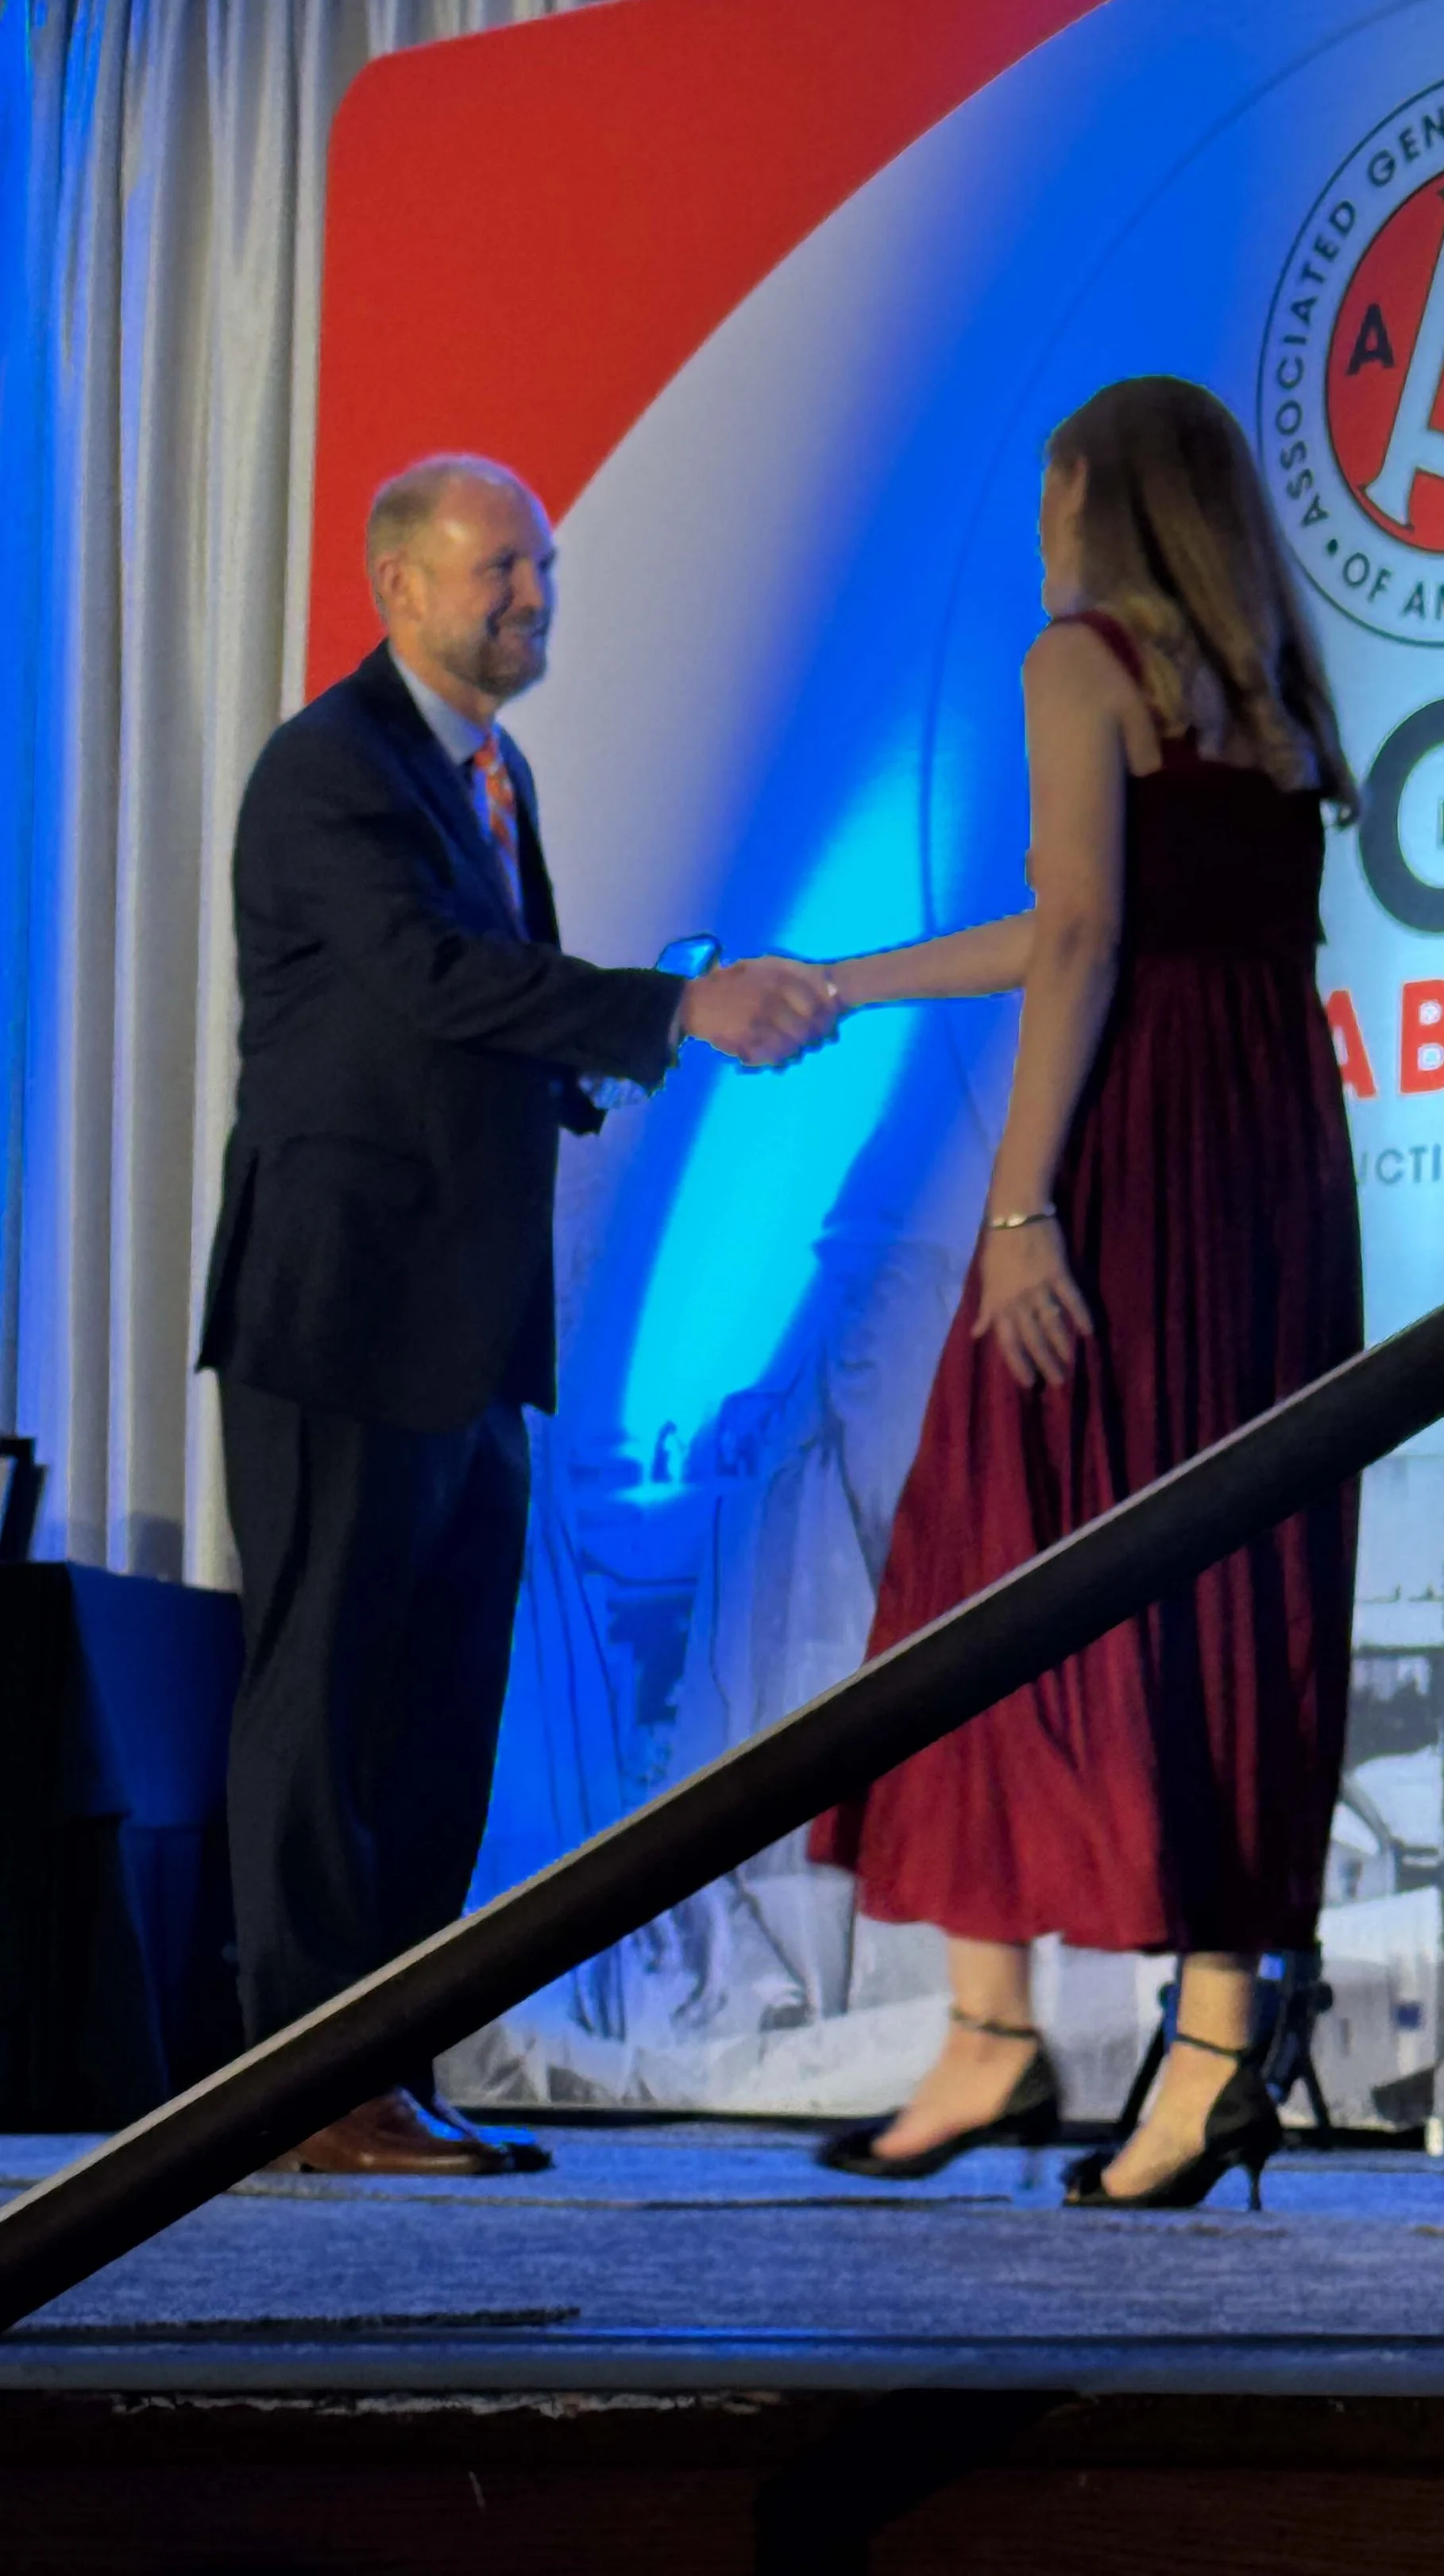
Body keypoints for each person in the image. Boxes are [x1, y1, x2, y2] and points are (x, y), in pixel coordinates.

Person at [197, 454, 836, 2175]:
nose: (531, 598)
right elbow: (427, 982)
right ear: (396, 584)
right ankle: (296, 2088)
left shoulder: (496, 773)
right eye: (498, 571)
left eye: (541, 568)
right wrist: (669, 1008)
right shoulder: (329, 768)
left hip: (468, 1319)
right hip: (339, 1309)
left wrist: (598, 1070)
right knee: (322, 1693)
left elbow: (474, 1028)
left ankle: (383, 2068)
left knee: (436, 1707)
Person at [807, 377, 1363, 2209]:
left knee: (995, 1550)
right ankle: (1200, 2048)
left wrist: (1019, 1205)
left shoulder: (1076, 658)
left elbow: (1082, 936)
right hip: (1265, 1164)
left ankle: (999, 2032)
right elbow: (1087, 907)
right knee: (1228, 1576)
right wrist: (859, 979)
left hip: (1128, 1163)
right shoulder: (1266, 685)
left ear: (1084, 499)